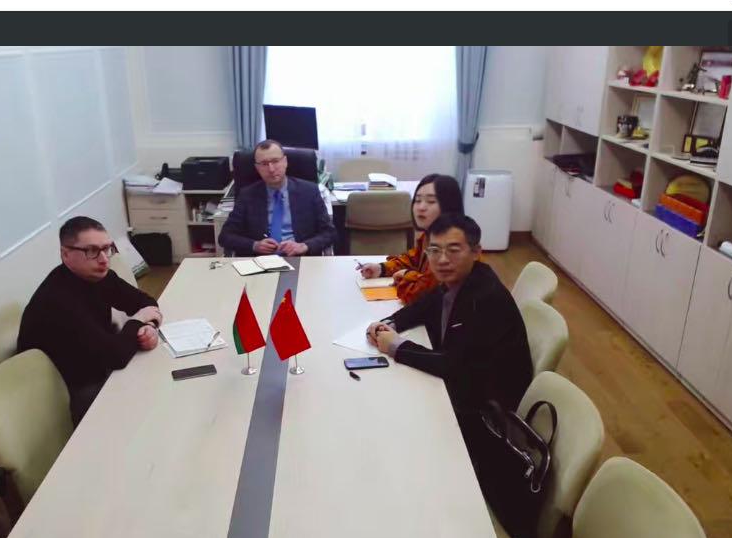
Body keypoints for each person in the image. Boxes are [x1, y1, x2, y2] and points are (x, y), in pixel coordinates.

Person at [366, 214, 533, 462]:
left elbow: (452, 365)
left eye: (453, 250)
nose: (442, 260)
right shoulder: (459, 279)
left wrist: (397, 346)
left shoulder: (485, 298)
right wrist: (390, 322)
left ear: (476, 252)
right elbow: (426, 305)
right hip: (463, 385)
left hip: (484, 412)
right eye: (434, 251)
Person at [18, 216, 161, 425]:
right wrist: (139, 321)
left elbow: (146, 303)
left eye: (107, 249)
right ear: (65, 254)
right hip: (69, 392)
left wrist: (149, 327)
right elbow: (116, 356)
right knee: (150, 406)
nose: (103, 259)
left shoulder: (98, 275)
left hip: (97, 360)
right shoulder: (58, 300)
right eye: (92, 251)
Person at [356, 173, 465, 304]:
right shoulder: (429, 235)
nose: (421, 207)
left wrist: (406, 274)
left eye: (431, 201)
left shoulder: (451, 248)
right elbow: (412, 259)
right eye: (417, 200)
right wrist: (382, 268)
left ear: (449, 206)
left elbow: (419, 295)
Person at [218, 140, 336, 257]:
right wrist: (254, 245)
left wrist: (305, 246)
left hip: (300, 257)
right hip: (260, 260)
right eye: (264, 164)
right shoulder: (247, 195)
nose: (271, 169)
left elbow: (329, 233)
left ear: (285, 162)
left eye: (275, 161)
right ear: (257, 168)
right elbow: (225, 236)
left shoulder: (309, 191)